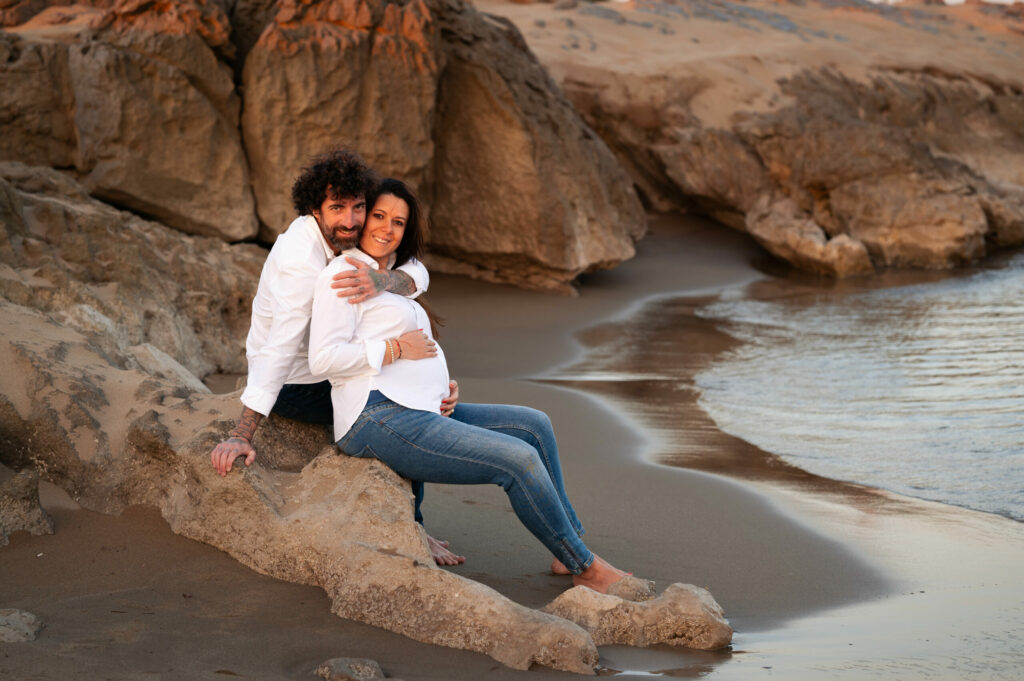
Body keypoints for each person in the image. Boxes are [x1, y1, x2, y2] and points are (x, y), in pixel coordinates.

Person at [307, 179, 634, 593]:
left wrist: (439, 386)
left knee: (534, 426)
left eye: (399, 222)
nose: (387, 229)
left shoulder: (394, 276)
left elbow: (417, 281)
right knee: (518, 460)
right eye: (379, 216)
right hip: (376, 417)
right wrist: (393, 348)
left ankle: (565, 545)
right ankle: (586, 569)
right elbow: (324, 359)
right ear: (364, 215)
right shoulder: (343, 275)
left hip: (419, 407)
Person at [209, 150, 463, 565]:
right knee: (399, 416)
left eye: (358, 207)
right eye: (337, 208)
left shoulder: (345, 242)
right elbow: (279, 348)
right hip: (299, 383)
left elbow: (418, 272)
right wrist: (243, 432)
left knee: (415, 396)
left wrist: (381, 280)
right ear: (314, 208)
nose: (350, 221)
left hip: (330, 362)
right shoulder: (300, 262)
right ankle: (413, 527)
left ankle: (415, 517)